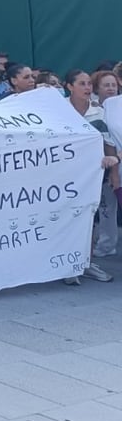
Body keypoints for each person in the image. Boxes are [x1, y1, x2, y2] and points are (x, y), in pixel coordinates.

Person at [69, 69, 119, 275]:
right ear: (69, 86)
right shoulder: (58, 109)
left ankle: (86, 262)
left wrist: (113, 168)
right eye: (82, 83)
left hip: (95, 175)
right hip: (67, 176)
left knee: (90, 216)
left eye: (89, 83)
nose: (87, 87)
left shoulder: (99, 112)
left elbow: (108, 143)